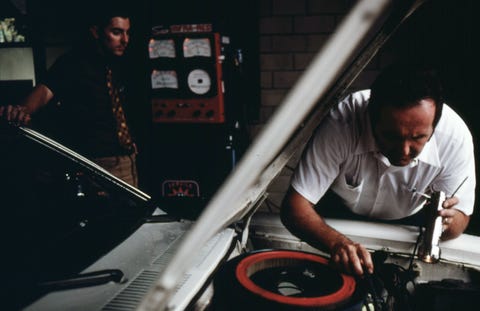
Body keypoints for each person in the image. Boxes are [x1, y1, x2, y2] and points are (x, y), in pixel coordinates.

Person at [280, 63, 476, 277]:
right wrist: (336, 243)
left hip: (412, 222)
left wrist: (446, 222)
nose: (404, 150)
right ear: (371, 118)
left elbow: (460, 219)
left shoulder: (455, 138)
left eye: (418, 137)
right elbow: (294, 206)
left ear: (435, 126)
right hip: (336, 216)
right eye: (392, 136)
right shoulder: (343, 121)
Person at [0, 3, 141, 187]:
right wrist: (20, 110)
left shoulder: (121, 64)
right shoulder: (73, 64)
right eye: (116, 32)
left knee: (133, 214)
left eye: (127, 33)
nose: (125, 40)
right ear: (96, 32)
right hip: (98, 164)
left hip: (129, 160)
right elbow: (43, 93)